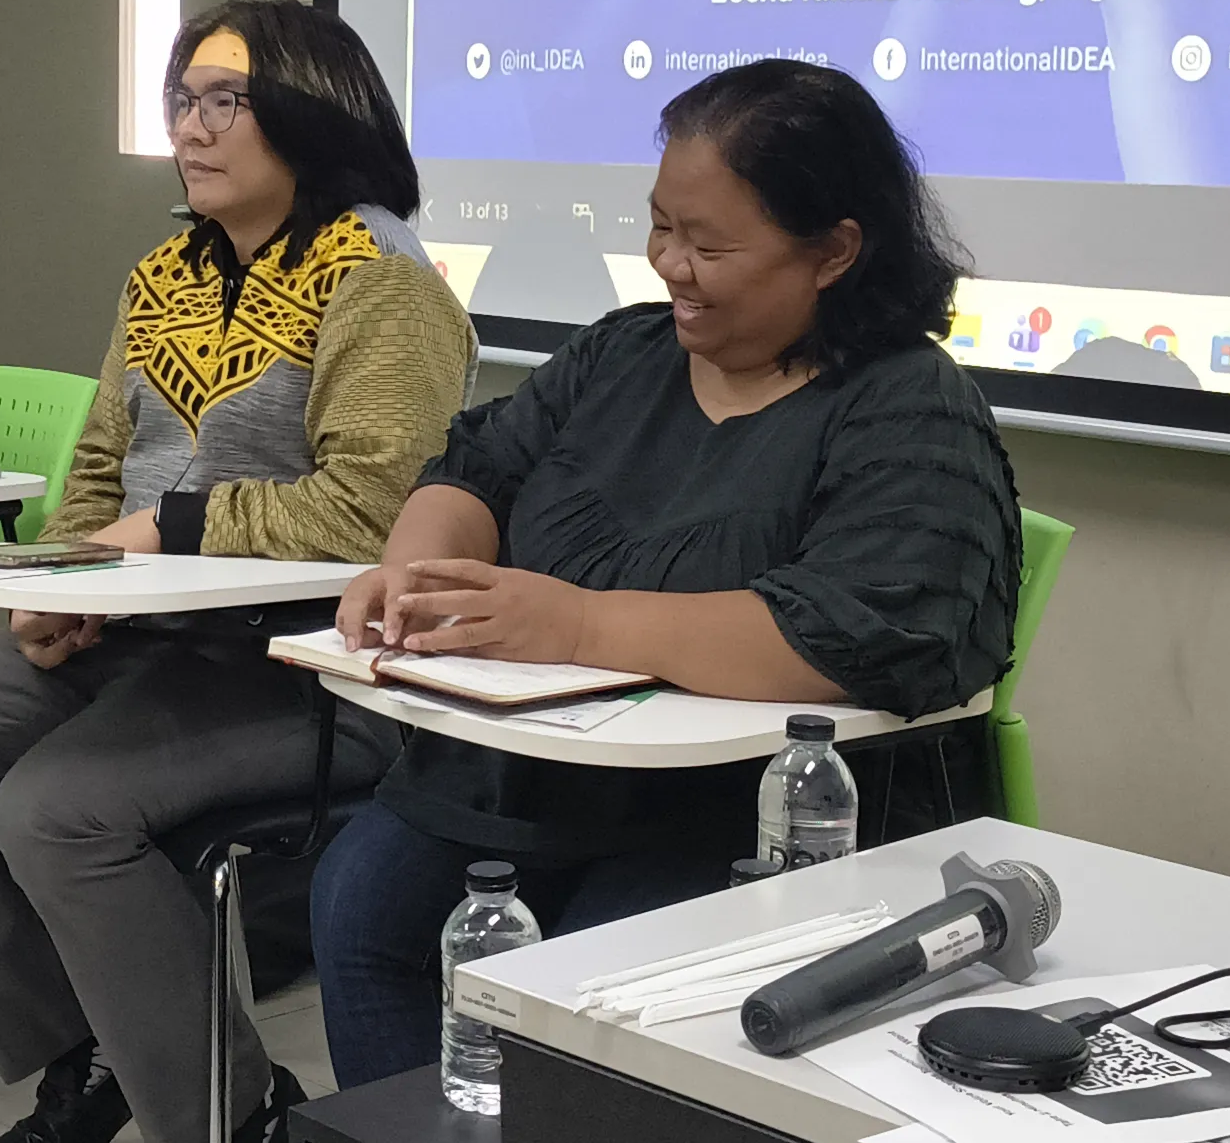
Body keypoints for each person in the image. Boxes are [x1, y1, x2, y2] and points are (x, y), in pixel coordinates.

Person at [0, 0, 477, 1143]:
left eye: (225, 99)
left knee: (56, 808)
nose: (192, 125)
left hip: (301, 663)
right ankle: (102, 1050)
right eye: (181, 98)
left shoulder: (381, 279)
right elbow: (92, 469)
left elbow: (374, 513)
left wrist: (164, 529)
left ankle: (226, 1116)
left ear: (310, 111)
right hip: (135, 638)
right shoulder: (164, 276)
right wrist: (57, 589)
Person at [313, 58, 1022, 1089]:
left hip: (743, 815)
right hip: (528, 777)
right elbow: (476, 469)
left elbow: (854, 633)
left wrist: (578, 626)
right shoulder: (618, 358)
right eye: (659, 229)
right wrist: (417, 572)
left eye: (708, 245)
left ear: (831, 251)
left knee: (597, 983)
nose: (669, 266)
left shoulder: (906, 408)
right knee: (361, 900)